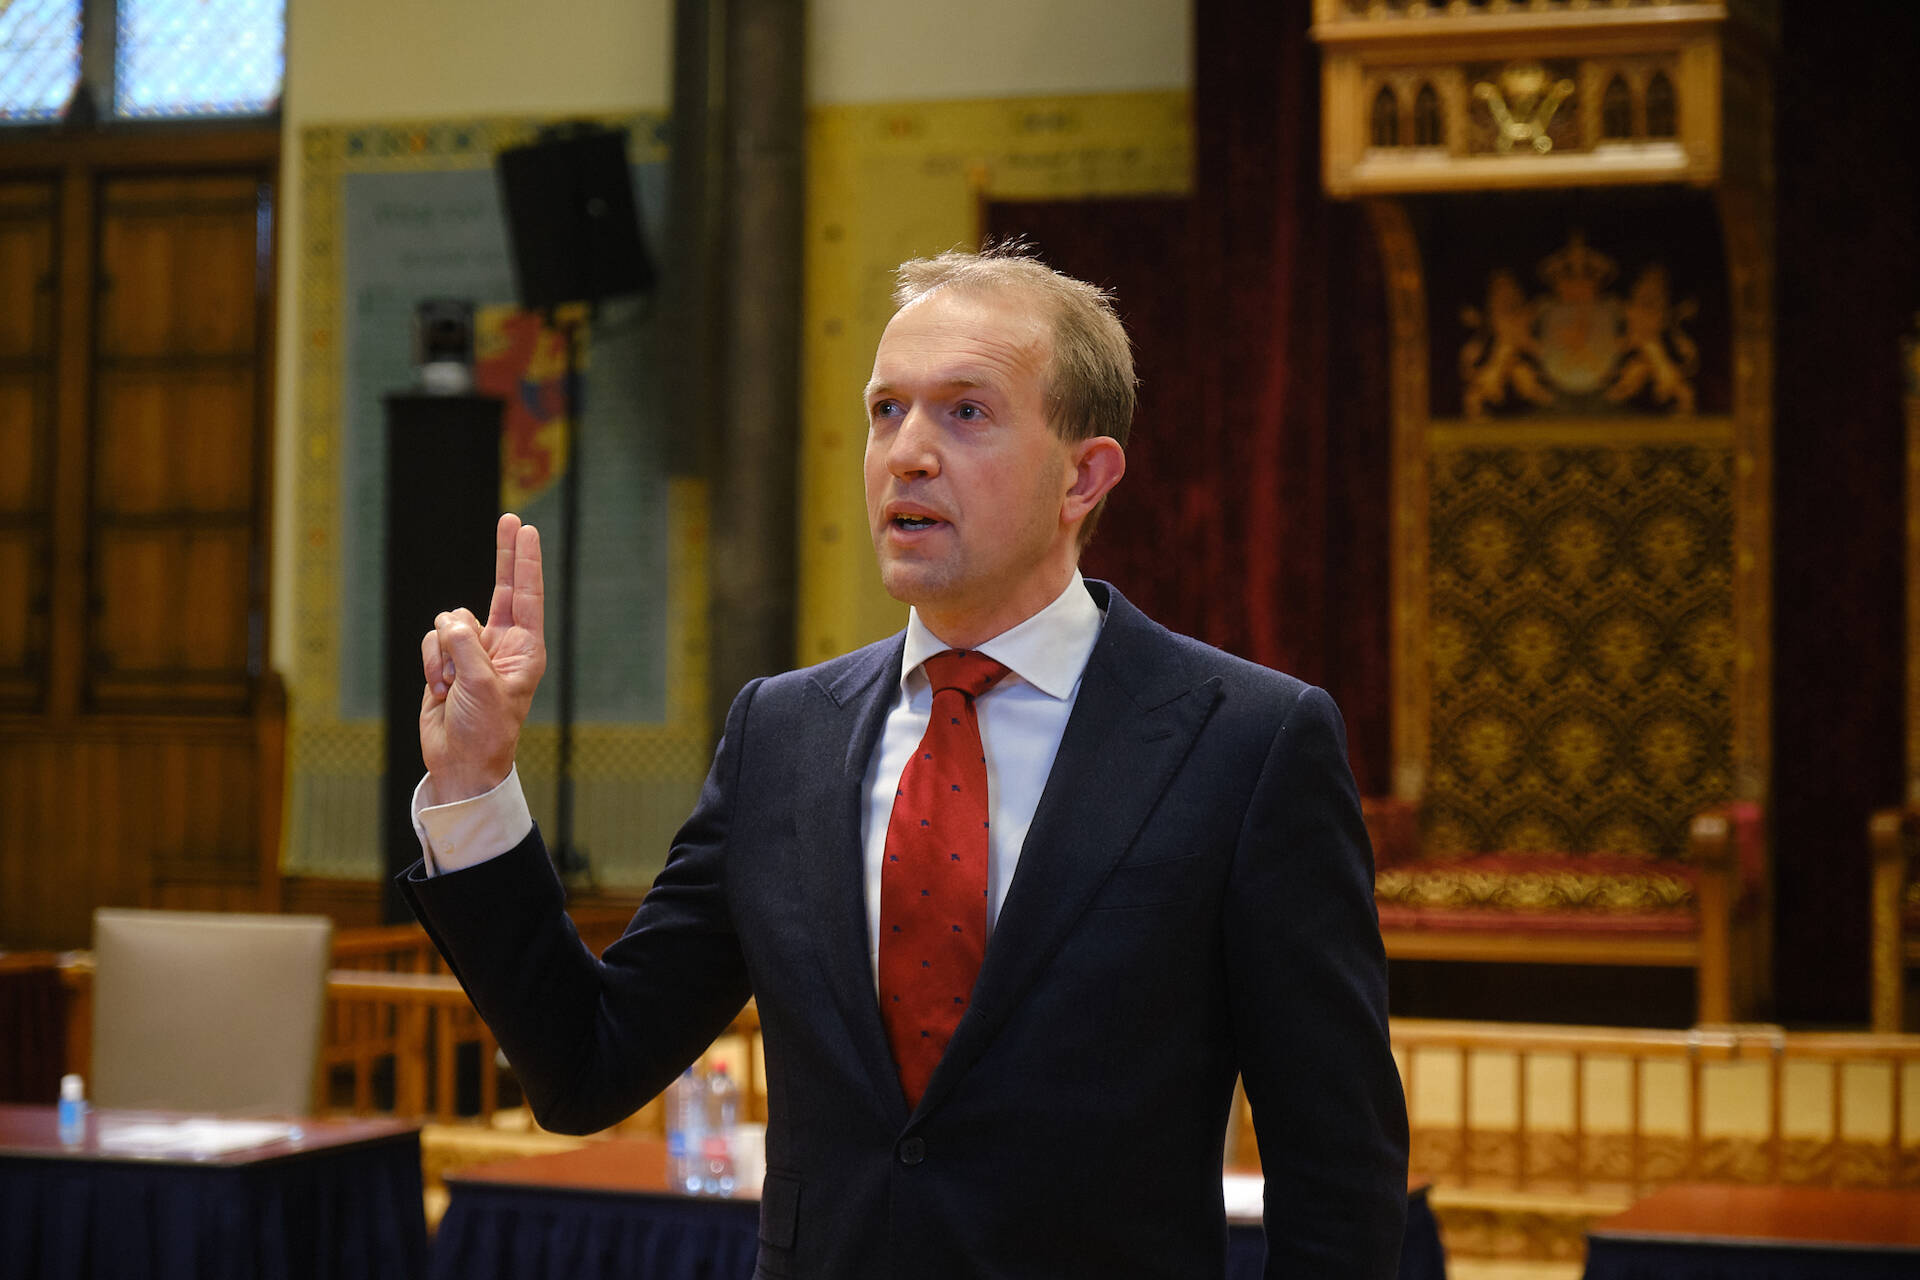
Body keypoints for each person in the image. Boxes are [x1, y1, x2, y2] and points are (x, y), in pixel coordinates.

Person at [401, 247, 1409, 1277]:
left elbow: (1341, 1179)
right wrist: (477, 788)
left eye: (965, 411)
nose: (908, 453)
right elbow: (587, 1063)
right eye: (888, 411)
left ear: (1085, 473)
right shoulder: (781, 736)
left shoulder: (1247, 741)